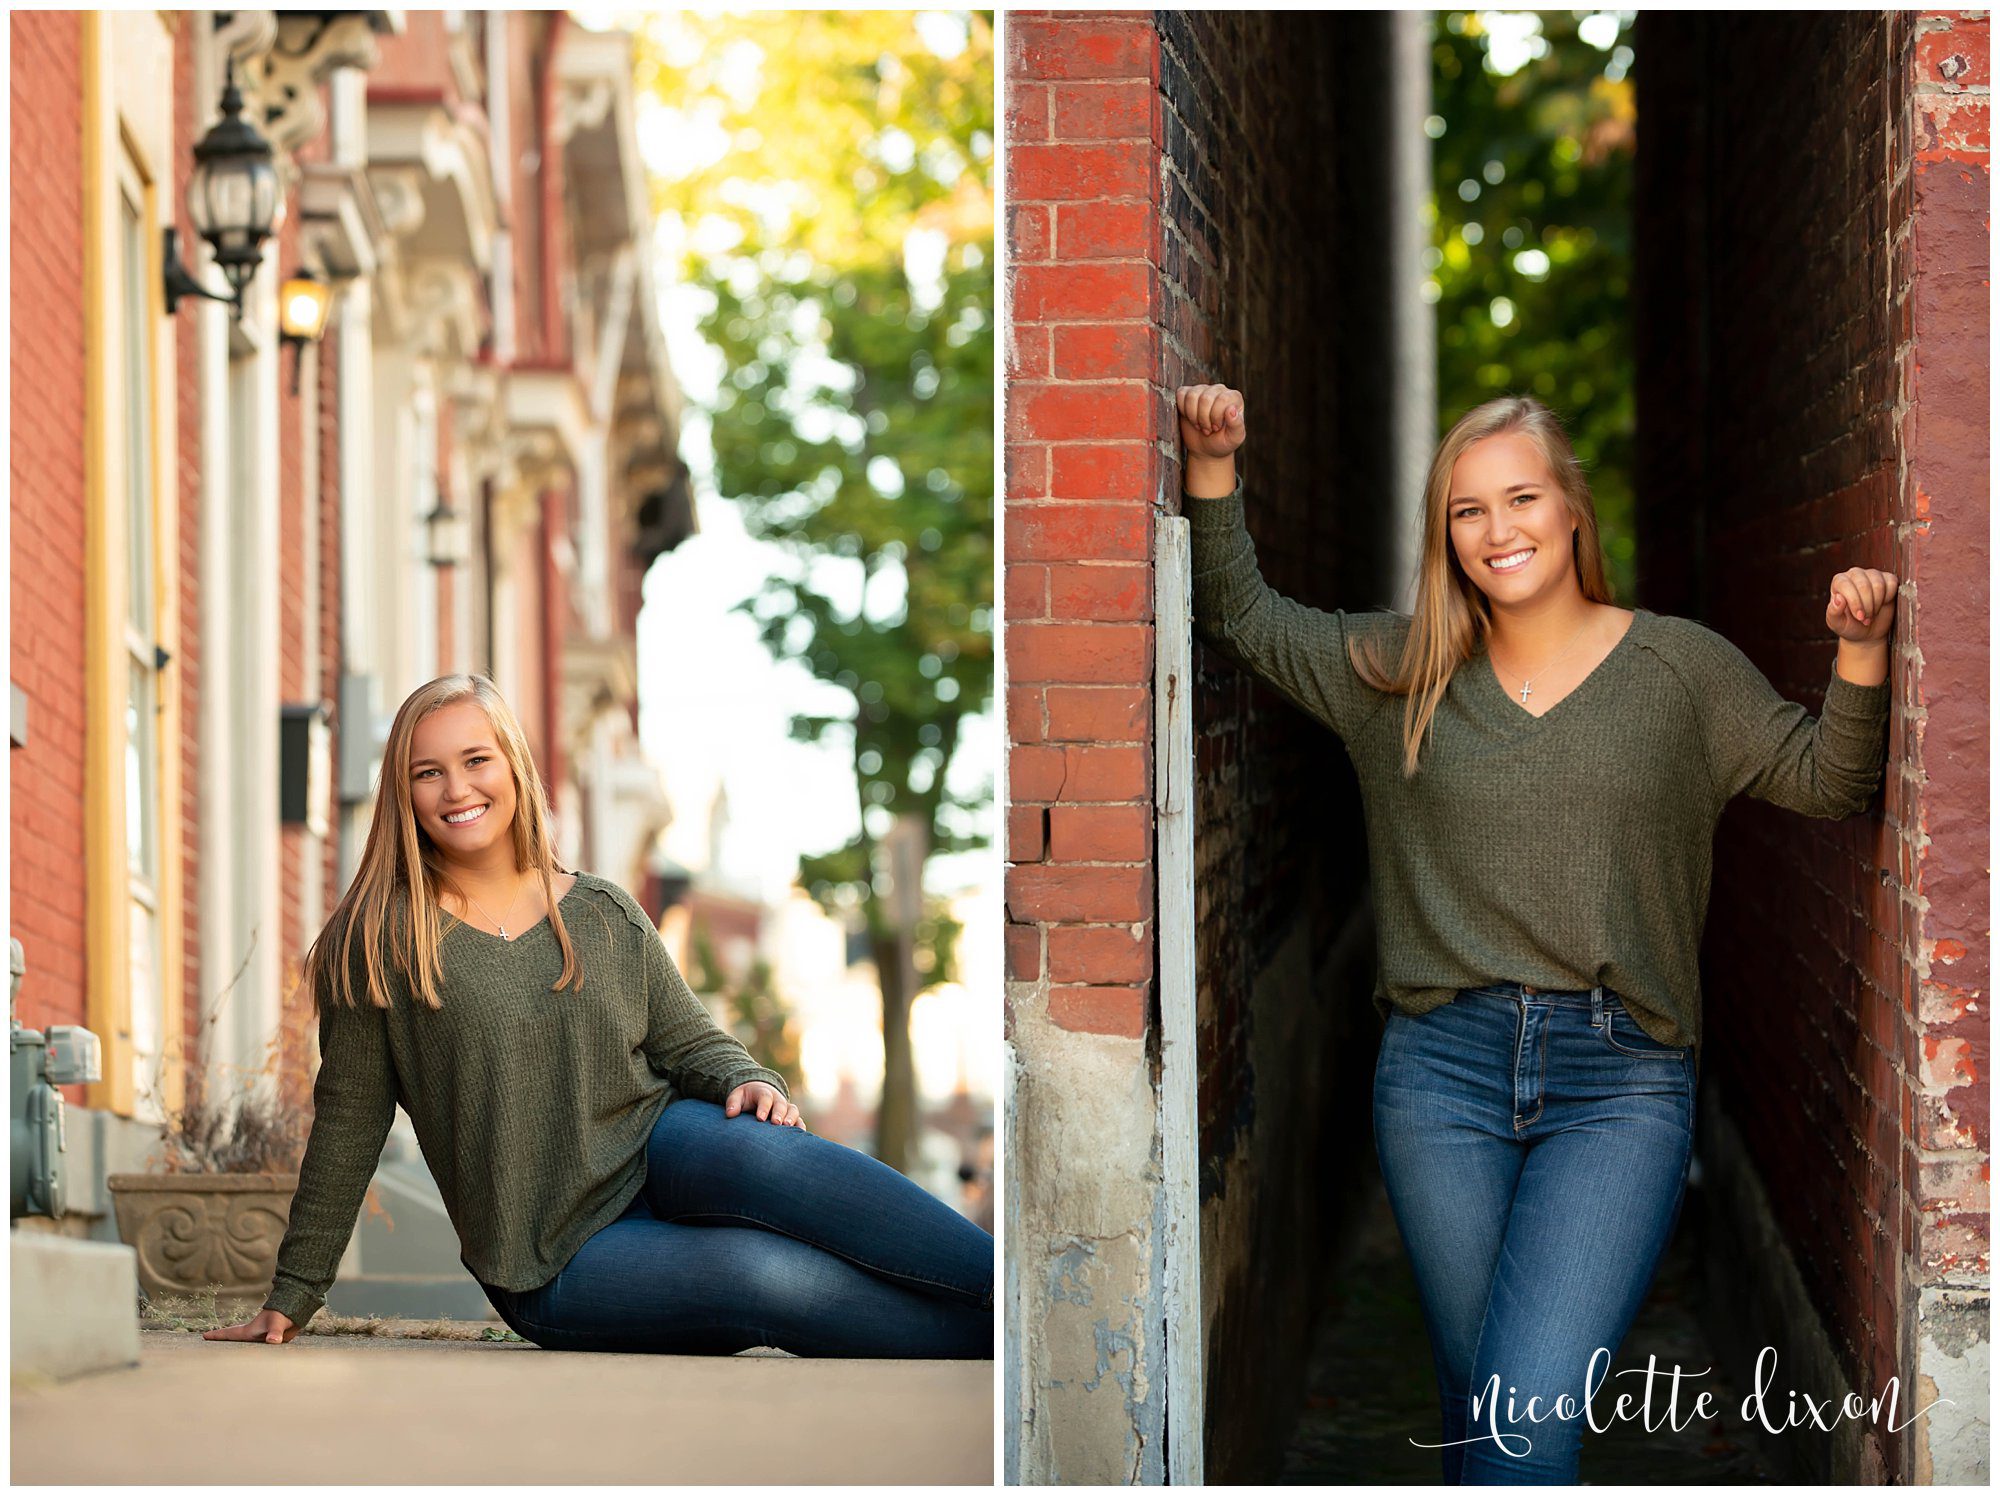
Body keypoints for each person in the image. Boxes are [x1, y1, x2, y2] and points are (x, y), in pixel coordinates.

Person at [1175, 384, 1894, 1482]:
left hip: (1620, 1086)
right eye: (1466, 509)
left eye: (1519, 498)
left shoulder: (1678, 673)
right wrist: (1213, 464)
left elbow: (1827, 777)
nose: (1496, 529)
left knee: (1518, 1428)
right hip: (1435, 1080)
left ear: (1570, 510)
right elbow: (1239, 614)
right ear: (1444, 533)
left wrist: (1858, 649)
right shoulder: (1396, 672)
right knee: (1490, 1420)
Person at [205, 674, 992, 1359]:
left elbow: (688, 1043)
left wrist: (748, 1077)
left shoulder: (603, 912)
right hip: (557, 1255)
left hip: (662, 1149)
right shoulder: (378, 941)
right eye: (428, 773)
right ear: (401, 793)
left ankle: (1012, 1291)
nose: (457, 789)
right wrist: (295, 1290)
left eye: (476, 760)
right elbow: (348, 1123)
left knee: (767, 1155)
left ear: (513, 766)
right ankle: (1004, 1333)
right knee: (757, 1273)